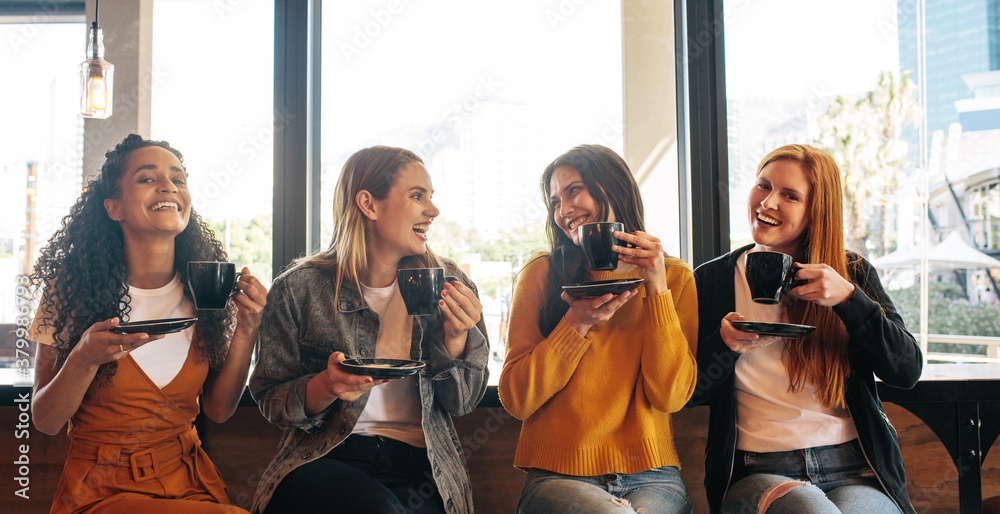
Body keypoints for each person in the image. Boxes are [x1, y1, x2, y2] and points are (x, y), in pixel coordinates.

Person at [29, 134, 268, 513]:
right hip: (101, 492)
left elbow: (218, 410)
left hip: (189, 482)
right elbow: (45, 420)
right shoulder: (68, 289)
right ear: (114, 208)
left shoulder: (206, 291)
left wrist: (248, 328)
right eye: (146, 178)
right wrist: (84, 358)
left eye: (179, 178)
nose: (169, 186)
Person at [248, 146, 490, 514]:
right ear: (368, 204)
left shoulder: (450, 284)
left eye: (431, 197)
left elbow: (462, 403)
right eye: (416, 196)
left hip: (423, 464)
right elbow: (270, 398)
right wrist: (326, 386)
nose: (433, 211)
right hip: (326, 455)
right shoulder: (301, 288)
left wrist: (455, 339)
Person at [687, 144, 922, 513]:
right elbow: (689, 392)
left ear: (816, 212)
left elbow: (905, 371)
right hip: (758, 470)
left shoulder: (850, 273)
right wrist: (725, 344)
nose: (768, 202)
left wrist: (849, 300)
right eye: (763, 186)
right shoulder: (713, 279)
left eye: (789, 195)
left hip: (854, 468)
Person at [499, 144, 698, 514]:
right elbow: (516, 398)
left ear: (613, 188)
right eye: (555, 201)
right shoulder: (542, 274)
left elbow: (670, 396)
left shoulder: (674, 278)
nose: (564, 210)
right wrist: (576, 323)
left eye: (574, 190)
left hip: (652, 475)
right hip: (557, 476)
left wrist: (655, 288)